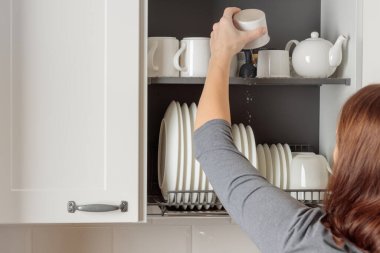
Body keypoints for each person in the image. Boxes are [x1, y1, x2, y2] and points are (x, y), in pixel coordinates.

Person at [194, 7, 380, 253]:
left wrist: (220, 54)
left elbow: (213, 146)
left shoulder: (306, 238)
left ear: (349, 161)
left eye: (339, 142)